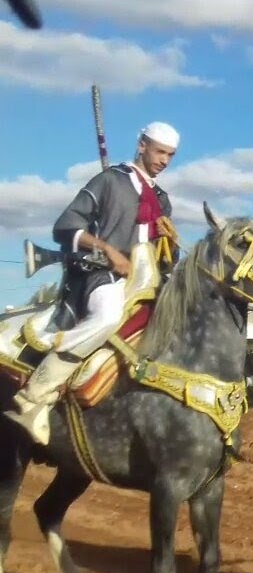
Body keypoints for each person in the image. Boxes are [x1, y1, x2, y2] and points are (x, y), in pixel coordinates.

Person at [5, 122, 179, 444]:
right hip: (97, 273)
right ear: (142, 145)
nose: (165, 161)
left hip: (142, 285)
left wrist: (171, 243)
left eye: (171, 155)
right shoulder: (109, 180)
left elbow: (163, 258)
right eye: (160, 152)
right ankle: (37, 392)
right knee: (108, 316)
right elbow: (65, 227)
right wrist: (108, 250)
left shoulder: (161, 200)